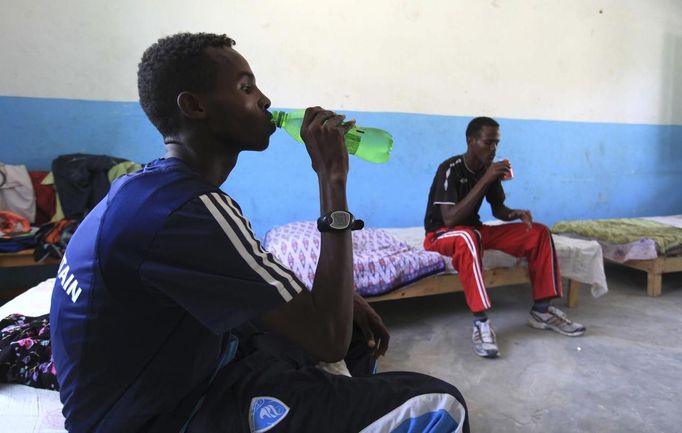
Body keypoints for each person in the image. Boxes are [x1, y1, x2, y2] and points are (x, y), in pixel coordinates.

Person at [50, 32, 469, 433]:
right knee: (440, 405)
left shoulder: (152, 189)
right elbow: (328, 342)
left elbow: (257, 280)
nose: (265, 100)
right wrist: (332, 180)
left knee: (346, 321)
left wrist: (333, 302)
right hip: (159, 416)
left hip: (181, 373)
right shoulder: (186, 210)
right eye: (246, 87)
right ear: (195, 106)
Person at [423, 116, 585, 359]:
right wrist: (486, 179)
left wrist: (513, 213)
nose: (493, 148)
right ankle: (480, 321)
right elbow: (449, 219)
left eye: (496, 143)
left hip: (475, 231)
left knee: (538, 232)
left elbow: (497, 208)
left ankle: (542, 310)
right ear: (471, 140)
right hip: (441, 234)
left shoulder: (490, 169)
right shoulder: (450, 168)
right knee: (467, 238)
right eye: (488, 142)